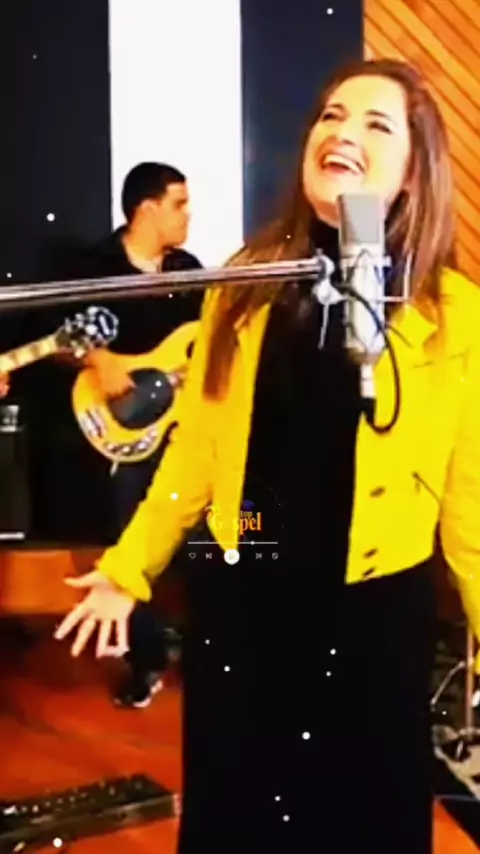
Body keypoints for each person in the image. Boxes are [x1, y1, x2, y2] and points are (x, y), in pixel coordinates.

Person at [53, 58, 480, 853]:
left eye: (375, 124)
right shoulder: (245, 286)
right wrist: (128, 568)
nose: (341, 132)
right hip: (248, 582)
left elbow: (470, 513)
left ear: (415, 173)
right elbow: (196, 456)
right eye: (331, 115)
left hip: (373, 620)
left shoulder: (457, 320)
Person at [73, 162, 203, 708]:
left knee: (238, 530)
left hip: (186, 434)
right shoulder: (95, 267)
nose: (189, 215)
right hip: (124, 438)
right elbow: (59, 334)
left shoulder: (190, 271)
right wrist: (97, 358)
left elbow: (210, 341)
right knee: (128, 535)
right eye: (179, 204)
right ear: (147, 209)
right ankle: (145, 659)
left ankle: (207, 652)